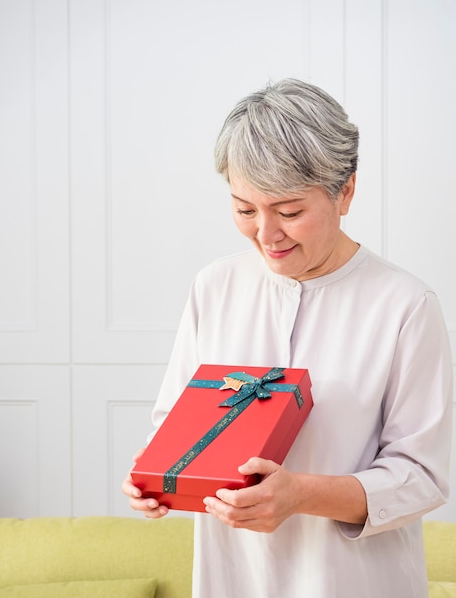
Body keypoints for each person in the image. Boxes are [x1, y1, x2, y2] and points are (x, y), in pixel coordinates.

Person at [122, 78, 453, 597]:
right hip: (235, 580)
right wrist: (157, 477)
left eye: (290, 211)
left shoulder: (405, 305)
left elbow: (423, 476)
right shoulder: (215, 286)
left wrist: (301, 494)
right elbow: (174, 424)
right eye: (245, 209)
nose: (266, 233)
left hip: (355, 583)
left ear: (345, 192)